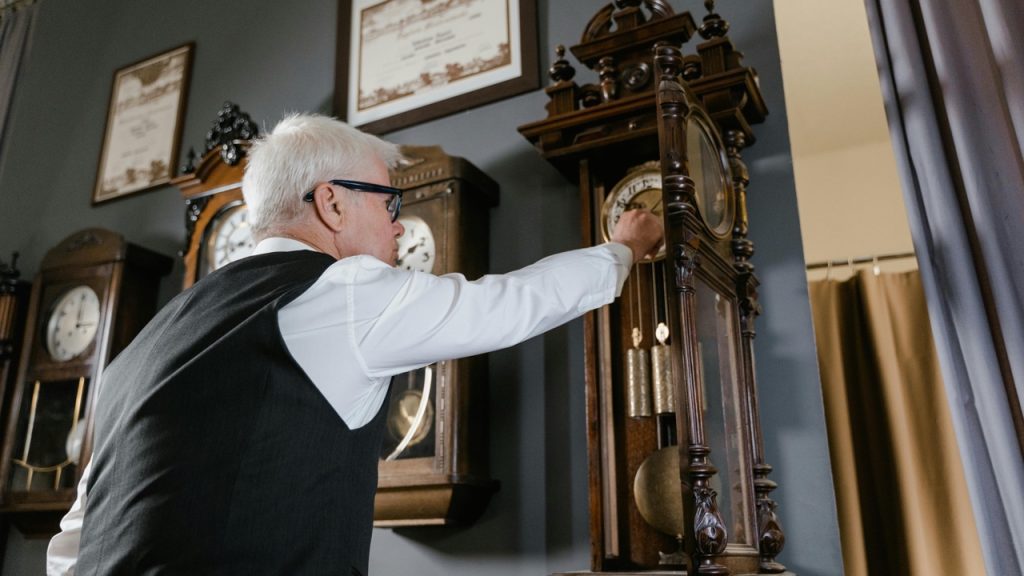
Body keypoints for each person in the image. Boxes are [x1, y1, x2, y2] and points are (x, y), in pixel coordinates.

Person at [46, 114, 663, 575]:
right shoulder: (342, 291)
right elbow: (508, 304)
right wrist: (624, 248)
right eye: (388, 198)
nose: (398, 221)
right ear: (331, 202)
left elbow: (78, 536)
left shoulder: (145, 342)